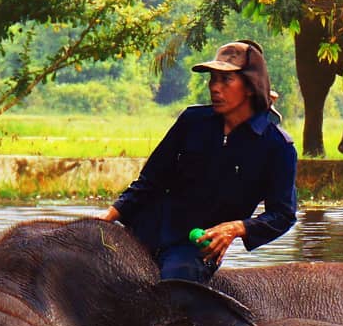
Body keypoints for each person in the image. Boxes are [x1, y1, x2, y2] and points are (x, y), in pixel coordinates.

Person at [100, 40, 298, 282]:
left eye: (226, 80)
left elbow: (282, 215)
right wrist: (106, 219)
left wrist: (236, 228)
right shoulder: (192, 121)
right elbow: (150, 180)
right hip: (144, 228)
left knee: (176, 287)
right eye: (213, 79)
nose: (215, 87)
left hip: (192, 249)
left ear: (250, 86)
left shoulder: (277, 146)